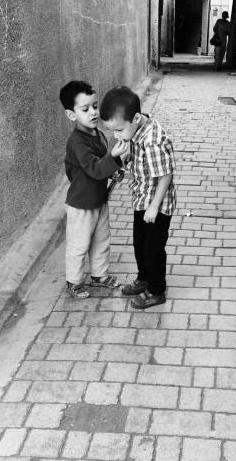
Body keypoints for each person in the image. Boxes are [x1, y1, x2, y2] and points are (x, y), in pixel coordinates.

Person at [100, 86, 176, 309]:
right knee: (140, 244)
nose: (116, 136)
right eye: (112, 131)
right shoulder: (136, 128)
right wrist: (123, 163)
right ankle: (144, 279)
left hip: (157, 205)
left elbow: (165, 175)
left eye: (119, 130)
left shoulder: (152, 139)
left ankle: (156, 290)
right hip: (141, 198)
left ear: (135, 118)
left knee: (153, 249)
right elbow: (136, 160)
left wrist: (154, 206)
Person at [59, 80, 128, 299]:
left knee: (101, 239)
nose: (93, 113)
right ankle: (74, 281)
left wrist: (114, 168)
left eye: (95, 106)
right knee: (78, 245)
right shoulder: (77, 141)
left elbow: (102, 166)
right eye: (85, 109)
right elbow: (94, 168)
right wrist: (113, 159)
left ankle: (99, 275)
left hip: (99, 199)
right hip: (81, 205)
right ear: (72, 115)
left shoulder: (97, 134)